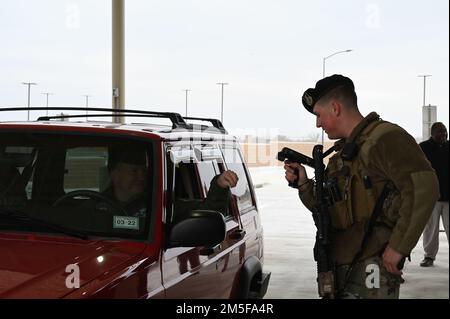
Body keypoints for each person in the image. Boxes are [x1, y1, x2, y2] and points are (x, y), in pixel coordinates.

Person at [284, 74, 439, 299]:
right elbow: (329, 209)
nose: (317, 123)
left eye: (319, 115)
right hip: (342, 266)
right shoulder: (344, 154)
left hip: (370, 267)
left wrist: (398, 247)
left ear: (335, 108)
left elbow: (423, 188)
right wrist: (304, 184)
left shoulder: (384, 138)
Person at [105, 145, 238, 217]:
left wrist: (219, 185)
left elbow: (210, 213)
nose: (141, 177)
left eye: (144, 171)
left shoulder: (162, 206)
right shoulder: (91, 207)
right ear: (114, 174)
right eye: (134, 171)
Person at [419, 122, 449, 267]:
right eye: (440, 132)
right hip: (432, 197)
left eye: (445, 131)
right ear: (432, 133)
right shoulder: (423, 148)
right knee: (431, 229)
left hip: (449, 196)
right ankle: (429, 256)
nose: (443, 134)